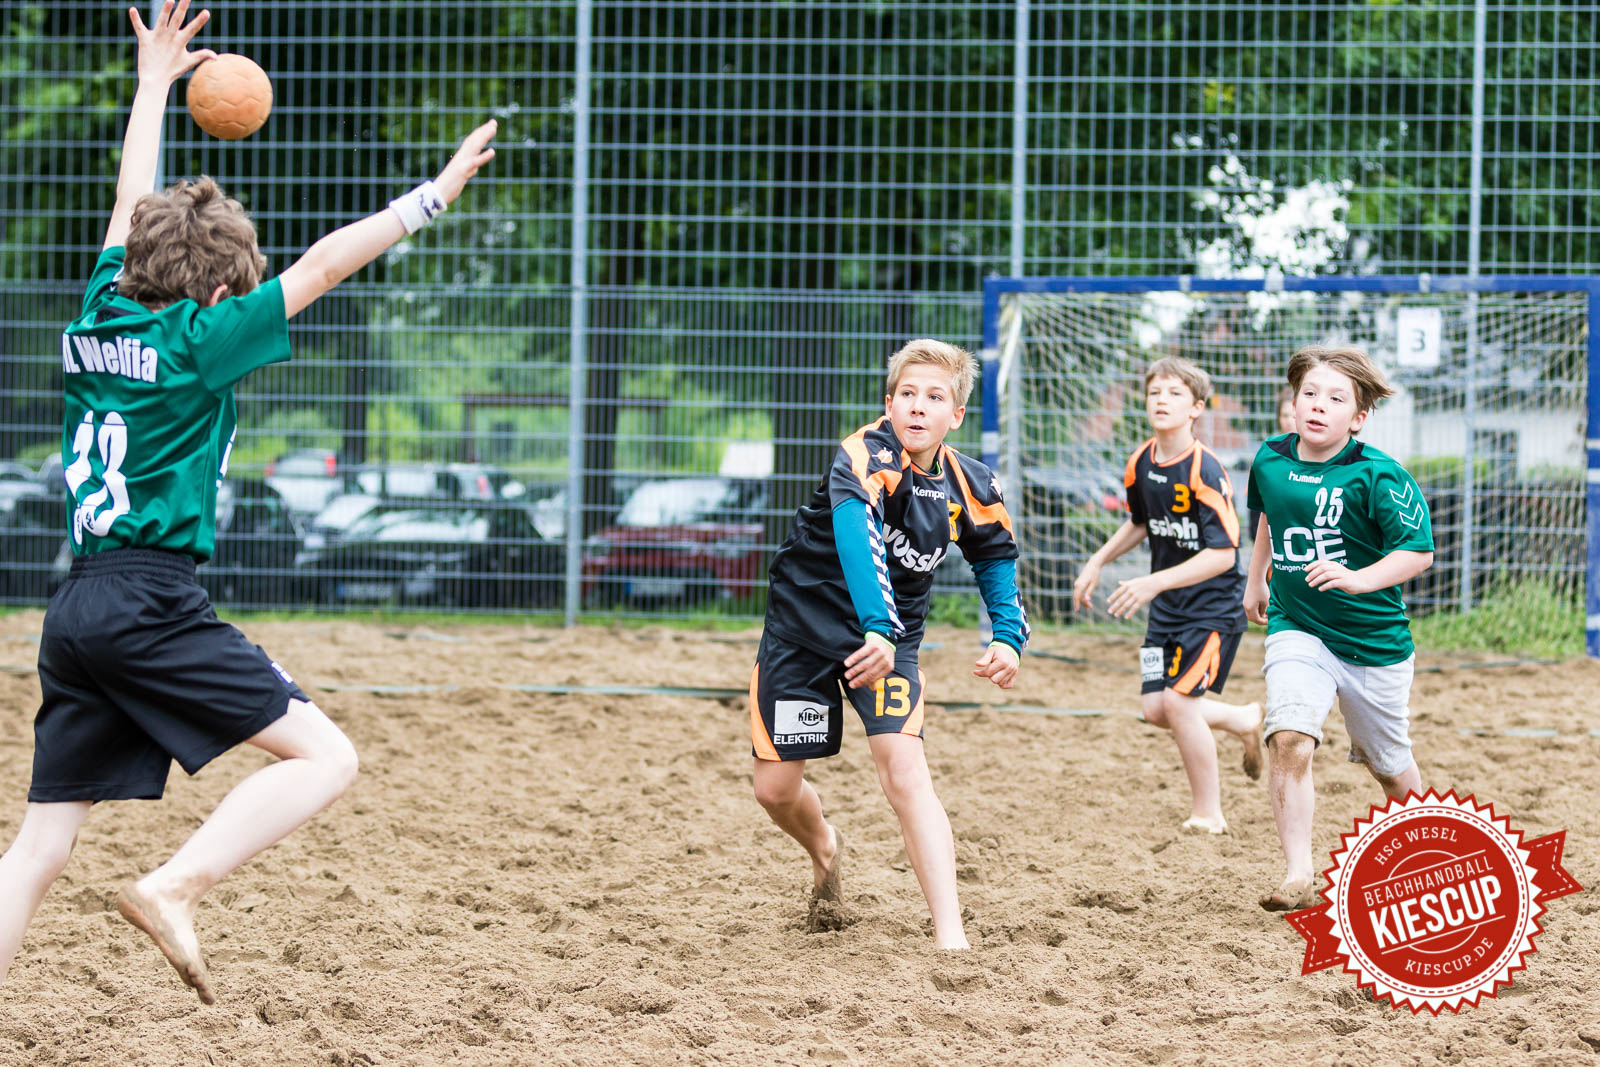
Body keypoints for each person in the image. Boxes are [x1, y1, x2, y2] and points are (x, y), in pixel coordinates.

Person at [0, 1, 496, 1003]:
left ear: (136, 258)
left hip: (76, 605)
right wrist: (433, 196)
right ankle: (175, 885)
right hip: (149, 598)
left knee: (42, 839)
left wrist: (153, 86)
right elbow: (320, 264)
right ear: (221, 295)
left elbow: (128, 199)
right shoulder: (200, 341)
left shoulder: (100, 310)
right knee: (326, 754)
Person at [749, 339, 1027, 951]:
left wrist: (1007, 637)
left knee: (906, 774)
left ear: (956, 415)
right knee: (773, 788)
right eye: (908, 394)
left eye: (935, 397)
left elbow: (997, 557)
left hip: (891, 645)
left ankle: (950, 935)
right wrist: (875, 623)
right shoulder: (864, 454)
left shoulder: (970, 483)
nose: (918, 407)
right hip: (805, 634)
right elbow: (858, 536)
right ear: (889, 403)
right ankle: (824, 845)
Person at [1244, 344, 1434, 911]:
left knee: (1390, 770)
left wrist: (1356, 578)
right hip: (1298, 625)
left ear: (1358, 416)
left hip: (1374, 645)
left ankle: (1430, 850)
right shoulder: (1270, 459)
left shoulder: (1380, 475)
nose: (1318, 406)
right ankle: (1300, 874)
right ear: (1293, 402)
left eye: (1335, 398)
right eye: (1309, 394)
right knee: (1290, 738)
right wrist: (1256, 580)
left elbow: (1417, 553)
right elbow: (1269, 518)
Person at [1072, 357, 1263, 834]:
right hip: (1168, 611)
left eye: (1175, 393)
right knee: (1155, 709)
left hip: (1212, 611)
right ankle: (1243, 719)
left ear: (1196, 408)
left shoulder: (1207, 469)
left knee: (1179, 705)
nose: (1162, 400)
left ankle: (1209, 814)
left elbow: (1224, 554)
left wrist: (1153, 581)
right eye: (1155, 392)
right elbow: (1140, 522)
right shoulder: (1140, 462)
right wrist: (1098, 561)